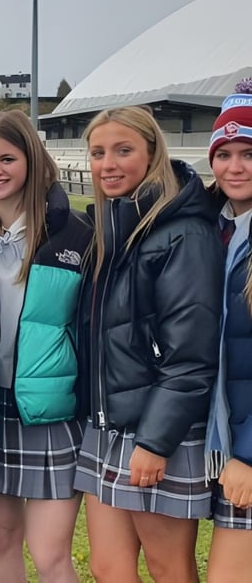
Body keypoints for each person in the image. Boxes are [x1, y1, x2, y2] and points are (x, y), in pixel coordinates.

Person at [75, 105, 221, 582]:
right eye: (98, 153)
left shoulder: (184, 232)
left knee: (168, 569)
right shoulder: (111, 227)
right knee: (109, 568)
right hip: (108, 426)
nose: (108, 164)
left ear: (153, 153)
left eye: (123, 150)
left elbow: (191, 353)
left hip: (158, 432)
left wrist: (156, 442)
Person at [0, 110, 92, 582]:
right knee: (0, 541)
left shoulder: (76, 234)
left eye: (7, 159)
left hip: (51, 413)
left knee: (49, 553)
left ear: (32, 161)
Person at [205, 80, 252, 582]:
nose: (234, 168)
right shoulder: (217, 230)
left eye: (248, 153)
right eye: (224, 153)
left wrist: (247, 455)